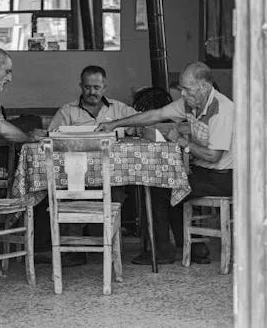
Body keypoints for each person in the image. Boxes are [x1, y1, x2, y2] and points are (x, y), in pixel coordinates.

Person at [97, 61, 234, 265]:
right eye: (182, 90)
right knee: (170, 182)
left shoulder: (222, 109)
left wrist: (182, 142)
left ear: (204, 87)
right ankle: (194, 248)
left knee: (160, 188)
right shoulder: (191, 103)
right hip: (204, 172)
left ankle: (163, 251)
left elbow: (214, 156)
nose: (183, 95)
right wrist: (115, 123)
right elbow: (156, 114)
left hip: (225, 177)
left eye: (187, 90)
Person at [39, 65, 139, 266]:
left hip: (111, 175)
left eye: (97, 87)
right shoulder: (67, 111)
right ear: (80, 86)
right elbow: (50, 140)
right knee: (69, 194)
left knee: (116, 194)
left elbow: (141, 126)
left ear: (105, 87)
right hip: (75, 176)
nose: (92, 92)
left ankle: (107, 246)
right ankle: (74, 251)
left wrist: (126, 129)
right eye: (87, 87)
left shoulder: (120, 109)